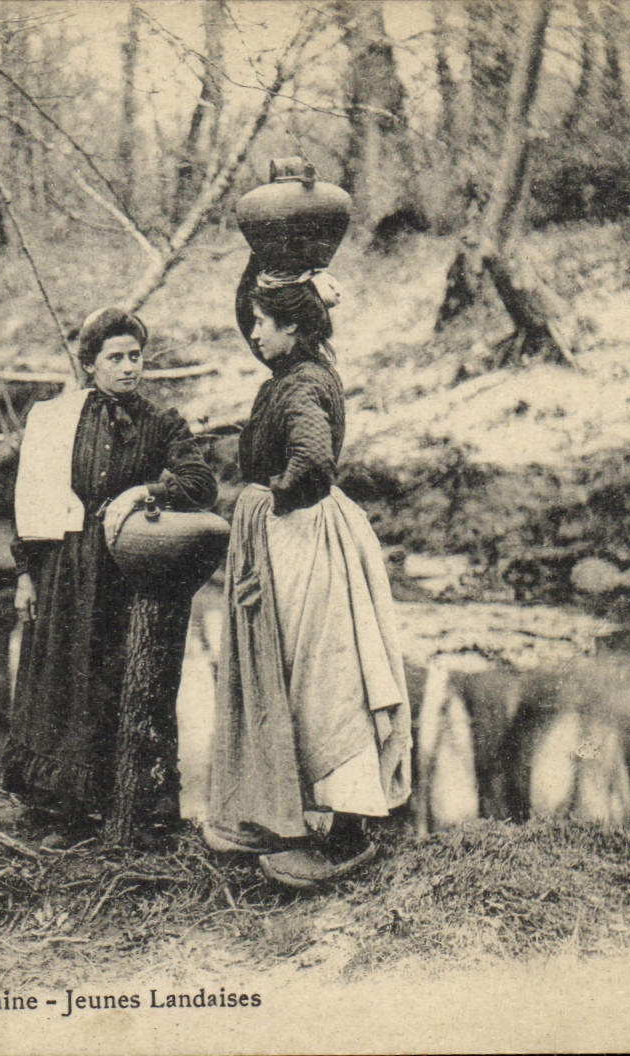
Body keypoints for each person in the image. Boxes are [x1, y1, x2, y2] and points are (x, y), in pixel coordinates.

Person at [204, 261, 412, 888]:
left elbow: (314, 460)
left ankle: (349, 834)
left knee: (328, 682)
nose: (254, 335)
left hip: (308, 542)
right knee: (302, 674)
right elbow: (254, 317)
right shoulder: (298, 370)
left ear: (292, 328)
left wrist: (274, 494)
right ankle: (294, 814)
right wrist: (258, 259)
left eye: (264, 324)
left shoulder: (299, 387)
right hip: (300, 536)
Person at [4, 307, 217, 839]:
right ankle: (59, 811)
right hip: (61, 565)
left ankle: (126, 805)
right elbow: (30, 498)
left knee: (111, 681)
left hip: (120, 567)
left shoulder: (158, 421)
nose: (127, 368)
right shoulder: (56, 418)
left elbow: (199, 484)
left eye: (135, 356)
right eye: (114, 358)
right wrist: (25, 574)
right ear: (91, 365)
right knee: (58, 679)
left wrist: (145, 491)